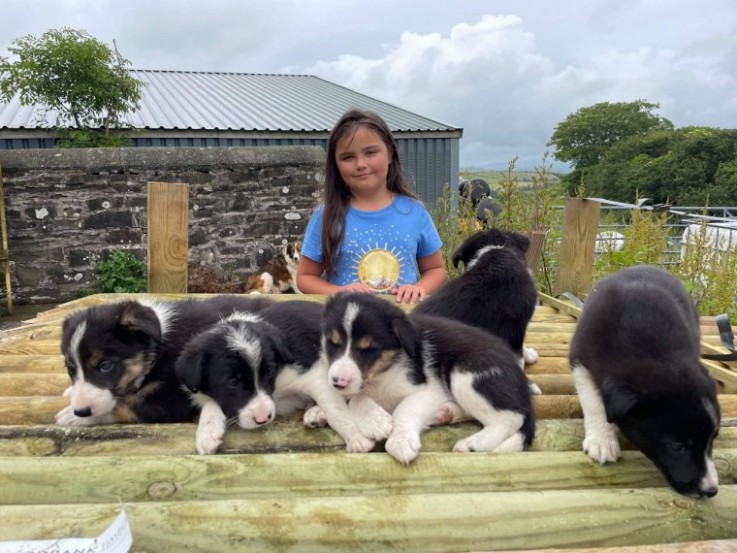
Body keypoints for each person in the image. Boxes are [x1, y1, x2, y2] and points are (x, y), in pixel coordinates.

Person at [297, 108, 446, 304]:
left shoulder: (415, 212)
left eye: (370, 152)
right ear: (336, 164)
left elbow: (435, 269)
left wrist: (419, 288)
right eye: (348, 157)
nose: (360, 164)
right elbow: (305, 277)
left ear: (390, 153)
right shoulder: (326, 216)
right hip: (348, 329)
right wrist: (339, 292)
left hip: (403, 325)